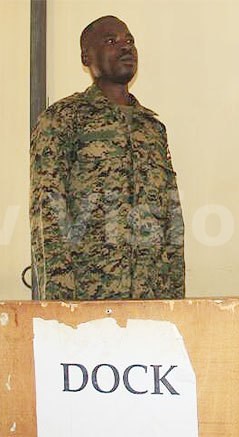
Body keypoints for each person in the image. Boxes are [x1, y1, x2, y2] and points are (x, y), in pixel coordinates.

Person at [30, 15, 184, 300]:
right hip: (89, 297)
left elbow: (172, 217)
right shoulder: (64, 119)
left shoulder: (152, 128)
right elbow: (47, 212)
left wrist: (175, 299)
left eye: (130, 41)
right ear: (86, 57)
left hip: (152, 299)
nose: (126, 47)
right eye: (112, 41)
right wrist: (60, 304)